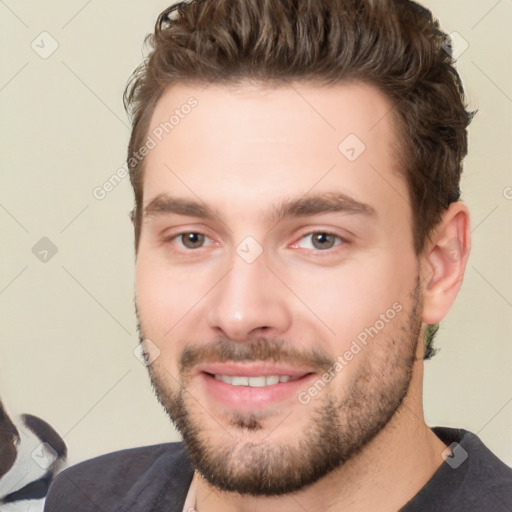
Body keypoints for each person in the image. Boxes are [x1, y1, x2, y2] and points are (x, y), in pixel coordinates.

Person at [44, 0, 512, 510]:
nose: (240, 314)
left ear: (439, 265)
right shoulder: (84, 497)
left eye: (320, 239)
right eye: (192, 238)